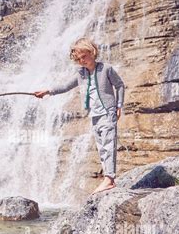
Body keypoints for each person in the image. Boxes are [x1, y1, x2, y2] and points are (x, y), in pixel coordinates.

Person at [34, 38, 125, 194]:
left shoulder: (106, 69)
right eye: (79, 59)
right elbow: (65, 86)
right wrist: (48, 91)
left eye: (84, 56)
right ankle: (108, 179)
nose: (82, 61)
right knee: (102, 147)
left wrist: (119, 106)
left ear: (92, 52)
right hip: (94, 114)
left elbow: (120, 85)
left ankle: (109, 179)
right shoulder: (80, 74)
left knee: (109, 145)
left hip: (107, 112)